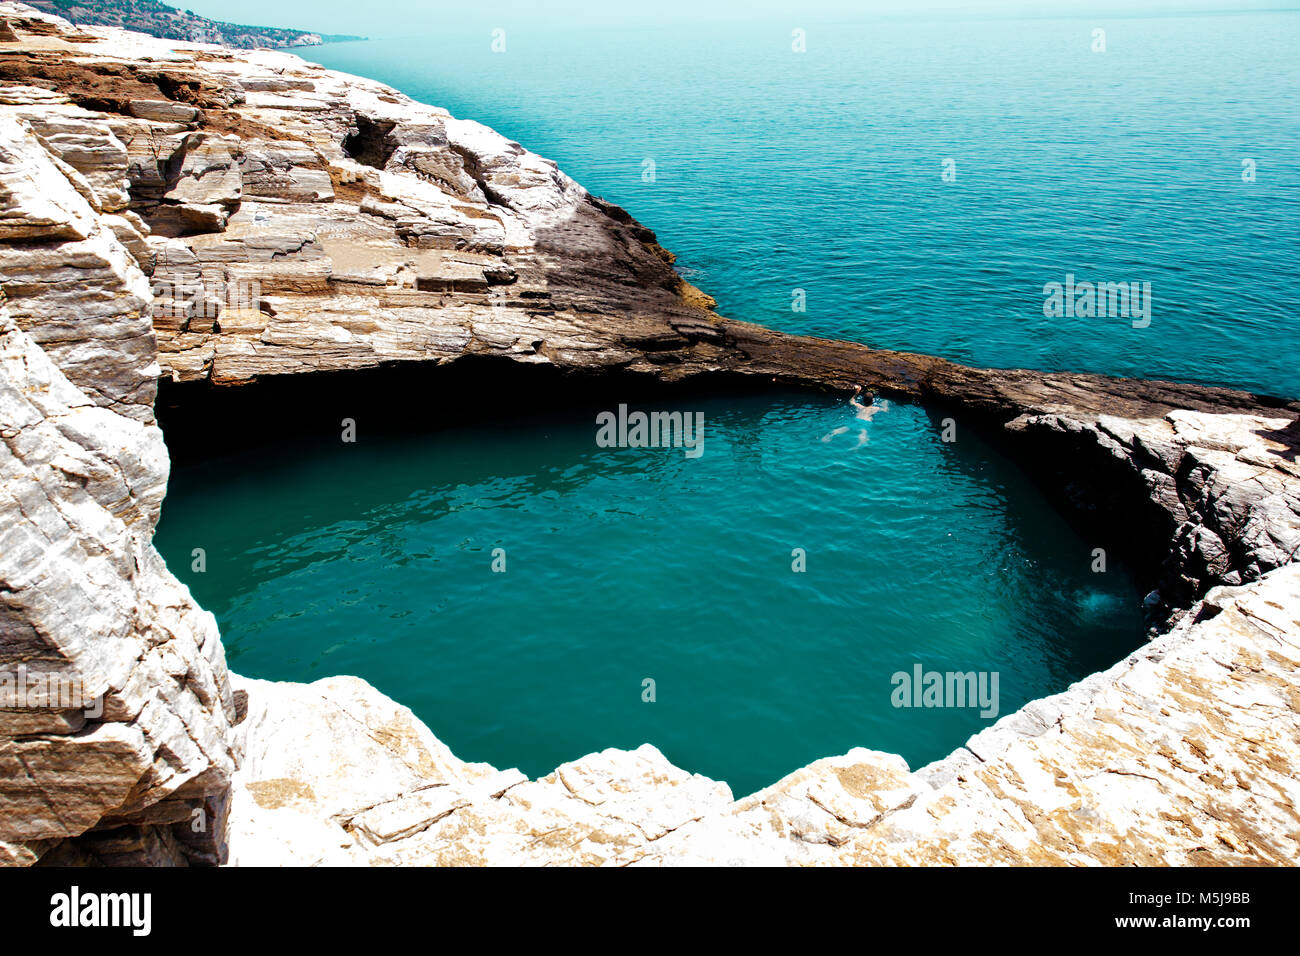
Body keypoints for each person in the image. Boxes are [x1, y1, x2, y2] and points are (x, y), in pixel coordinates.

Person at [822, 384, 889, 446]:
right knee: (863, 432)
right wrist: (885, 403)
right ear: (872, 400)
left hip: (857, 419)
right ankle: (858, 446)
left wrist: (856, 392)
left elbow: (851, 401)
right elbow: (885, 410)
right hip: (866, 421)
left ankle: (832, 433)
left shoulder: (860, 406)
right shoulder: (875, 408)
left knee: (846, 427)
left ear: (863, 400)